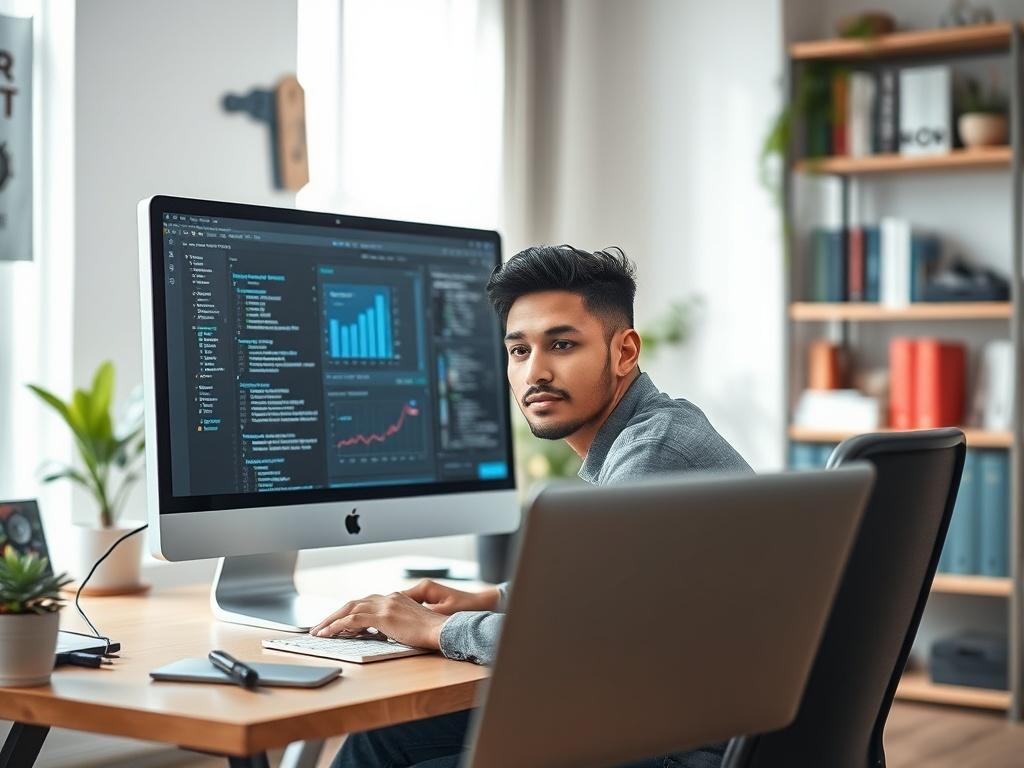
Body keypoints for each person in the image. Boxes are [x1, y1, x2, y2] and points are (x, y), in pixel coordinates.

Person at [319, 245, 752, 768]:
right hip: (649, 714)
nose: (535, 373)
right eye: (519, 351)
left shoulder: (653, 454)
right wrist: (487, 599)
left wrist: (434, 628)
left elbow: (584, 637)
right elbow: (606, 590)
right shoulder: (648, 435)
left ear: (625, 352)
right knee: (384, 739)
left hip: (677, 746)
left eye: (562, 345)